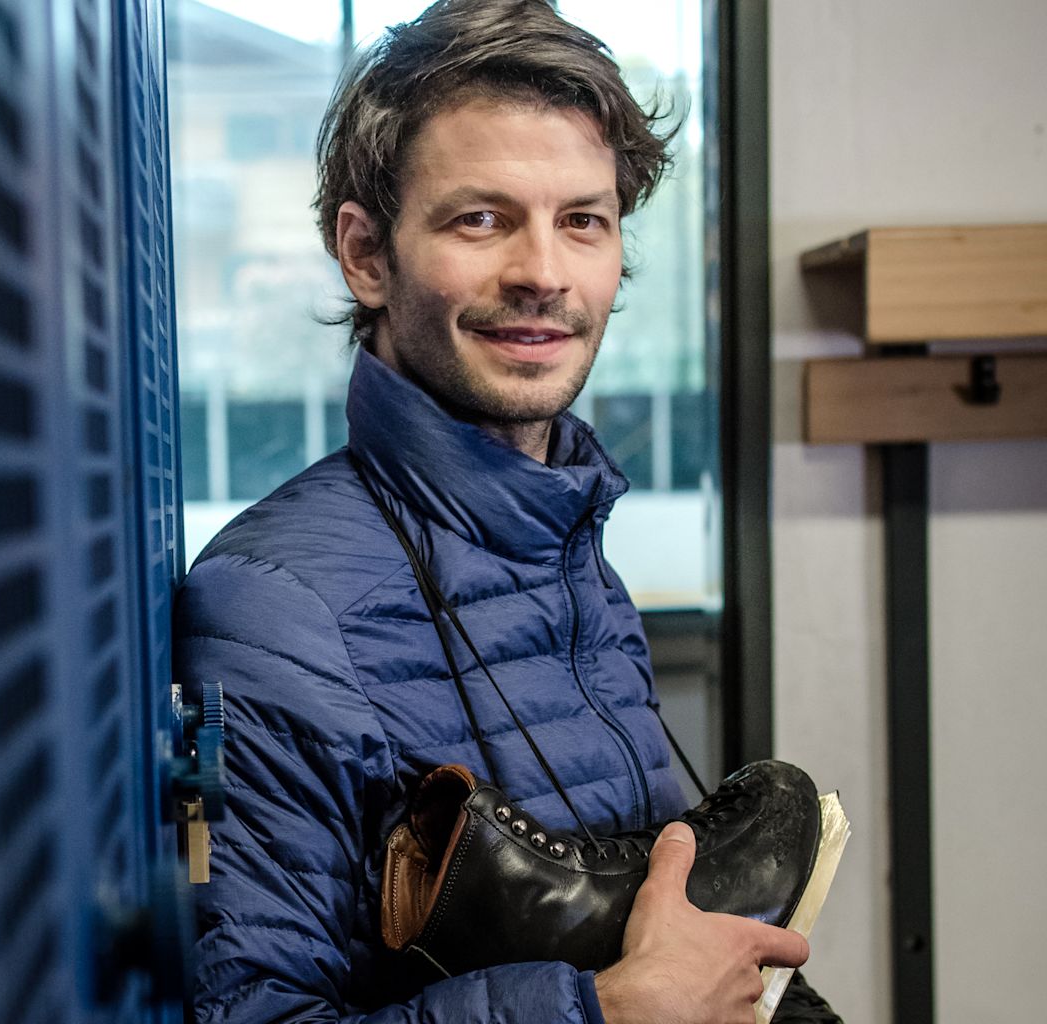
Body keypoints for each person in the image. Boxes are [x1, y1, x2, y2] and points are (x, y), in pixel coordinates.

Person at [172, 2, 836, 1021]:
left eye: (583, 220)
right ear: (364, 253)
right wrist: (605, 1014)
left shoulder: (572, 543)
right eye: (480, 219)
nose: (542, 271)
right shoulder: (276, 607)